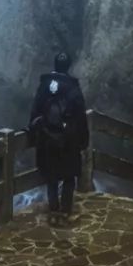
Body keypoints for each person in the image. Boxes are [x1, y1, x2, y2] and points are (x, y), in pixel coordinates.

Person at [28, 51, 89, 221]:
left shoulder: (44, 84)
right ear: (68, 66)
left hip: (47, 137)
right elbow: (80, 115)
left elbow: (35, 110)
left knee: (51, 175)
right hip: (68, 138)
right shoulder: (73, 87)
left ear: (55, 65)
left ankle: (54, 207)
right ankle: (65, 209)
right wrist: (83, 139)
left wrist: (33, 133)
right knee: (69, 175)